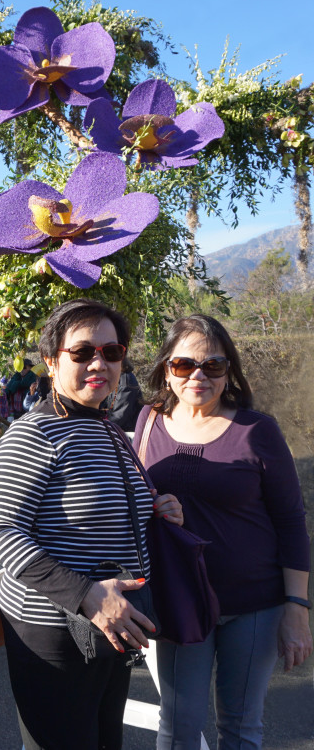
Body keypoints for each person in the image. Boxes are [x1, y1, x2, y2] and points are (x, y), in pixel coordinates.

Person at [0, 299, 183, 749]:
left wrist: (157, 507)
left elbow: (102, 506)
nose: (100, 363)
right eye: (82, 352)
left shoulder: (107, 427)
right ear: (52, 362)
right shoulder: (34, 433)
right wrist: (87, 595)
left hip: (110, 625)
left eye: (113, 353)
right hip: (56, 631)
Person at [136, 314, 311, 750]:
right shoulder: (148, 422)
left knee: (239, 729)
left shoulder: (257, 430)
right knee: (178, 728)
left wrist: (296, 607)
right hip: (181, 602)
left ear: (228, 371)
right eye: (183, 365)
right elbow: (133, 499)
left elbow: (291, 521)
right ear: (165, 369)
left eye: (213, 365)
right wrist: (153, 508)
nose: (198, 375)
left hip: (255, 604)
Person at [107, 359, 143, 431]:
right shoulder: (117, 378)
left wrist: (100, 427)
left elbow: (120, 415)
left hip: (126, 432)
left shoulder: (125, 381)